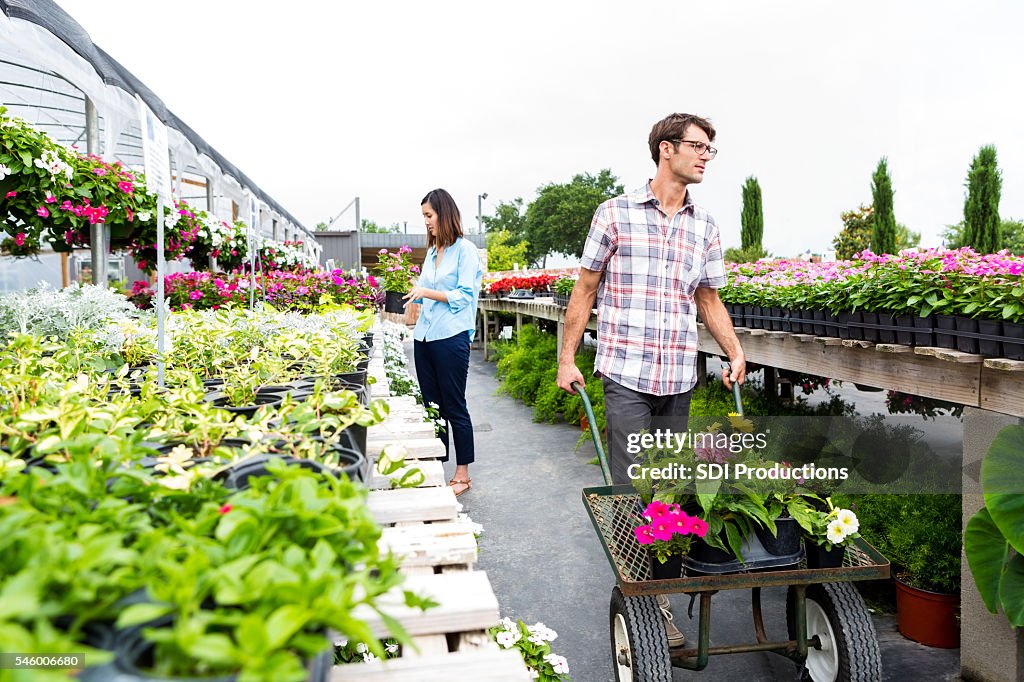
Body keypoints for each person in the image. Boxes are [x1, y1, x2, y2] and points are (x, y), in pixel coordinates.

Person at [556, 113, 747, 647]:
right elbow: (585, 290)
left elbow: (708, 299)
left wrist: (734, 350)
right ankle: (646, 600)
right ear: (667, 149)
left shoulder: (704, 226)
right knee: (633, 487)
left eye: (711, 149)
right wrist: (566, 359)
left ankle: (659, 582)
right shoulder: (614, 214)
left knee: (671, 488)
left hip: (678, 376)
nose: (707, 155)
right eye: (698, 146)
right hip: (626, 374)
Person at [404, 189, 483, 497]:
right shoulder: (434, 252)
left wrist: (425, 293)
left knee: (453, 405)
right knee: (432, 406)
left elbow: (464, 296)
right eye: (423, 217)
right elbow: (426, 287)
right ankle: (438, 467)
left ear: (444, 214)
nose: (426, 223)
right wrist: (414, 289)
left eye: (429, 216)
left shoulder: (466, 251)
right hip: (424, 336)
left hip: (451, 337)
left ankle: (462, 474)